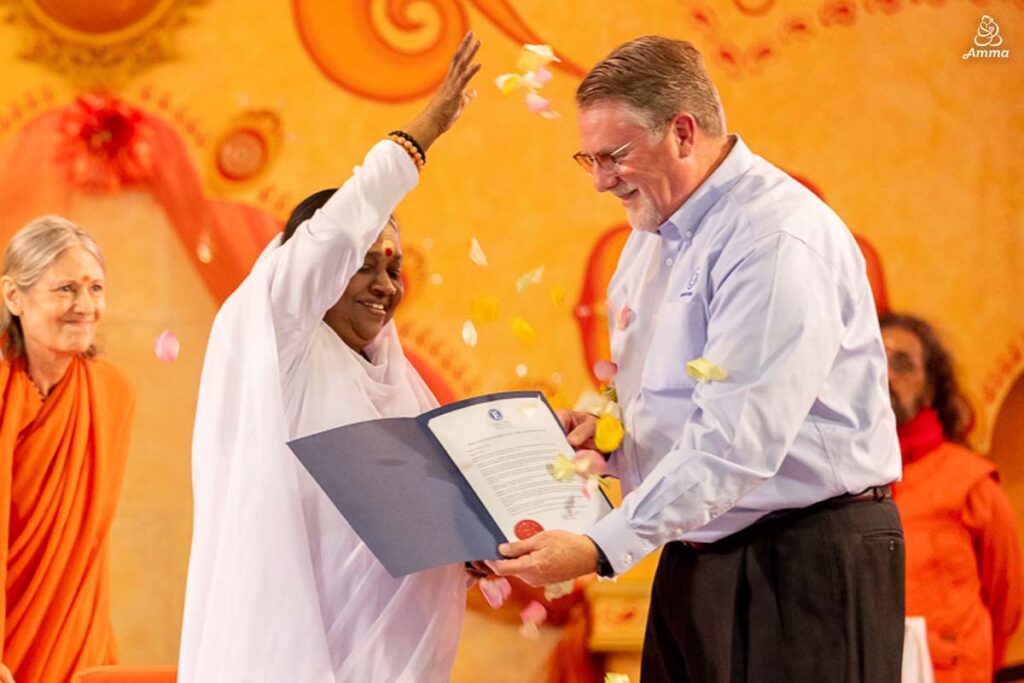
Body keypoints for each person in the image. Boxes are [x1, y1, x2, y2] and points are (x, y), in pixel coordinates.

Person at [491, 36, 905, 681]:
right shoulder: (647, 243)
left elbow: (734, 443)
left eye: (614, 155)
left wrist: (601, 547)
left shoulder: (773, 238)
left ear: (683, 132)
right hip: (699, 550)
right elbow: (666, 405)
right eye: (588, 158)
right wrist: (608, 437)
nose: (600, 180)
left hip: (805, 559)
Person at [177, 34, 481, 682]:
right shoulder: (278, 327)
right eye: (363, 264)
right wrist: (425, 130)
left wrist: (473, 540)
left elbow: (421, 512)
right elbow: (338, 229)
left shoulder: (397, 380)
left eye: (391, 266)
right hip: (285, 648)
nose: (384, 283)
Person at [0, 216, 134, 683]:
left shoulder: (112, 394)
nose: (85, 306)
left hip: (75, 640)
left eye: (95, 288)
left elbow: (84, 549)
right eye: (65, 289)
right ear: (14, 296)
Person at [881, 312, 1022, 682]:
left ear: (930, 389)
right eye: (873, 361)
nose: (886, 376)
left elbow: (1007, 600)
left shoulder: (968, 480)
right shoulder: (842, 484)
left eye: (902, 364)